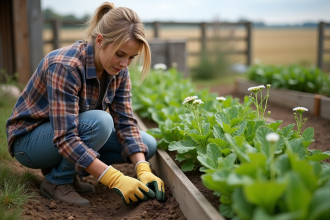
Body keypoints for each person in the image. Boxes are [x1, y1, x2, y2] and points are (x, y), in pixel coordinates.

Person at [6, 2, 165, 206]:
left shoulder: (119, 71)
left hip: (64, 136)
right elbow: (65, 137)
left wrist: (143, 169)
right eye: (120, 54)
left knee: (146, 145)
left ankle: (67, 171)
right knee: (100, 122)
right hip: (29, 143)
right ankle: (57, 181)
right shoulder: (66, 67)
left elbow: (125, 122)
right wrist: (115, 179)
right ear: (100, 40)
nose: (125, 63)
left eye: (131, 57)